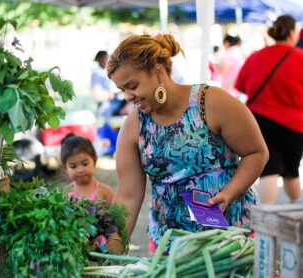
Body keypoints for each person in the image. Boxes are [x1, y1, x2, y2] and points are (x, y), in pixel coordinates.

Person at [106, 33, 268, 253]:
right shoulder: (133, 125)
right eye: (121, 89)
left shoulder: (210, 102)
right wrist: (108, 253)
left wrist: (230, 192)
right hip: (172, 246)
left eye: (132, 85)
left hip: (231, 239)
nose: (127, 96)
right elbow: (127, 195)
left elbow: (256, 153)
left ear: (157, 71)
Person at [235, 15, 303, 204]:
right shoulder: (300, 57)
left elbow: (240, 86)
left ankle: (267, 220)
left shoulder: (256, 56)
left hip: (260, 121)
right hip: (293, 124)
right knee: (291, 172)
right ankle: (297, 212)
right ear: (291, 32)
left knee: (268, 169)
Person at [60, 133, 114, 207]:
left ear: (94, 161)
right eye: (73, 166)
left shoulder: (105, 192)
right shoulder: (65, 193)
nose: (80, 170)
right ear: (65, 168)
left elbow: (114, 216)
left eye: (85, 164)